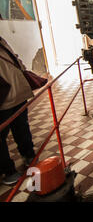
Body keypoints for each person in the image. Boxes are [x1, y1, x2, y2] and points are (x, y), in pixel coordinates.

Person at [0, 36, 35, 185]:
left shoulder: (1, 41)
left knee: (22, 126)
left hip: (17, 94)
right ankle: (8, 171)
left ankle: (28, 154)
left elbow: (14, 60)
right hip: (3, 99)